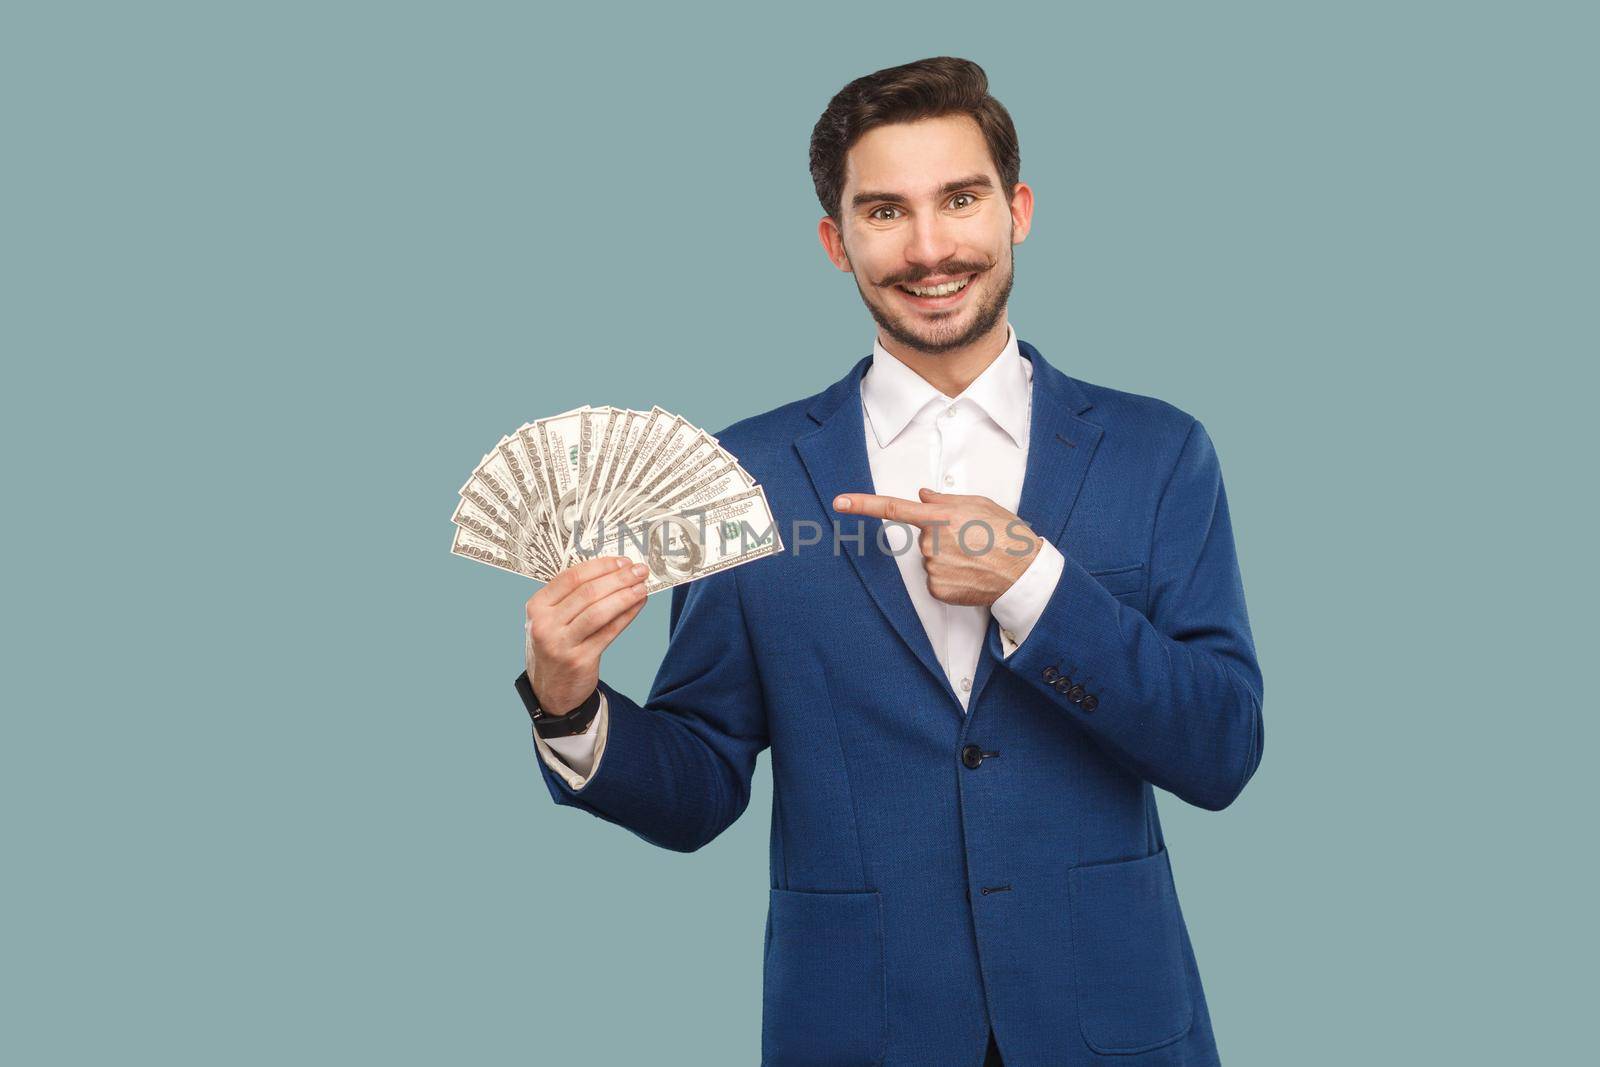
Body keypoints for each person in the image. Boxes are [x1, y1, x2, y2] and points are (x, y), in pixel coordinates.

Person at [517, 56, 1264, 1067]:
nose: (929, 247)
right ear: (835, 240)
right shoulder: (748, 473)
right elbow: (699, 783)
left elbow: (1220, 747)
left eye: (960, 199)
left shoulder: (1157, 450)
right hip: (858, 1028)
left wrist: (1033, 585)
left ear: (1018, 209)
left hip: (1113, 1025)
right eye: (883, 211)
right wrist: (570, 703)